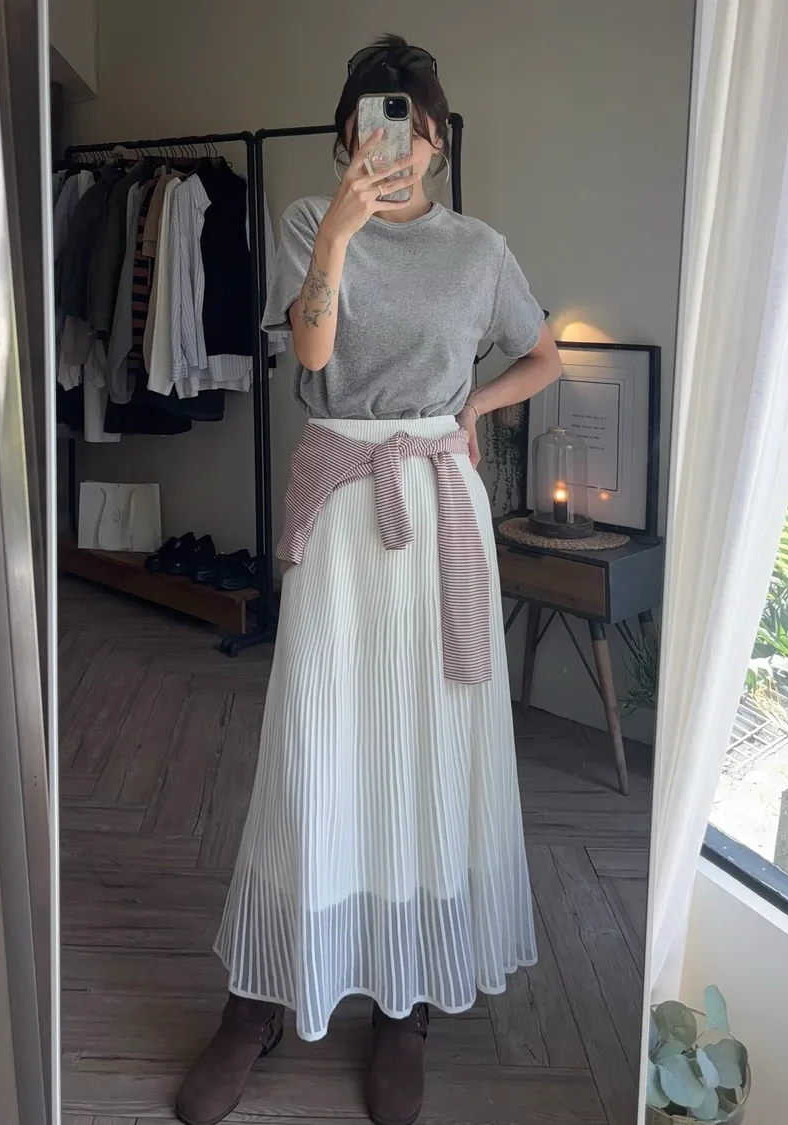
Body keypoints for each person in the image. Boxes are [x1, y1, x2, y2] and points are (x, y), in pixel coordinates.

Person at [176, 34, 562, 1125]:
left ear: (436, 141)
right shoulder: (312, 222)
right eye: (371, 125)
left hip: (439, 506)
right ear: (349, 136)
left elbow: (542, 353)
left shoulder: (480, 249)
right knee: (314, 740)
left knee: (428, 741)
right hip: (344, 503)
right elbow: (309, 357)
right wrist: (341, 235)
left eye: (413, 127)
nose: (393, 145)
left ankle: (408, 1000)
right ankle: (259, 996)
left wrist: (472, 409)